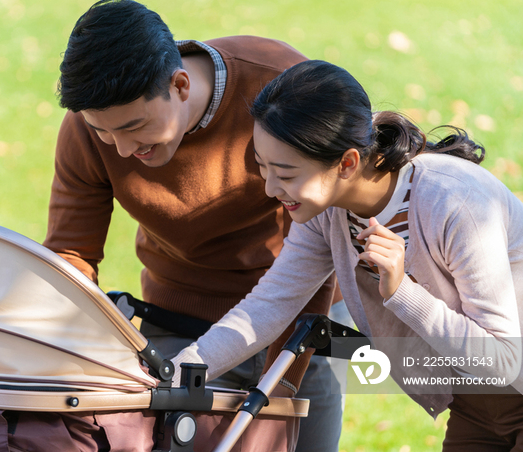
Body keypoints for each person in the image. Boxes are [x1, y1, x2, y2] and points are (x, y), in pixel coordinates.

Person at [172, 60, 523, 451]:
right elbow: (268, 306)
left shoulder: (457, 203)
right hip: (475, 401)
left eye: (286, 174)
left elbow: (505, 358)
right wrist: (172, 374)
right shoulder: (326, 212)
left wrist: (403, 292)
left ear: (348, 163)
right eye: (262, 167)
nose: (271, 188)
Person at [43, 0, 337, 451]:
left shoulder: (280, 89)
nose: (120, 149)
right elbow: (72, 253)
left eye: (134, 126)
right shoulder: (88, 127)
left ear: (180, 85)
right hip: (173, 315)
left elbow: (323, 246)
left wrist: (281, 386)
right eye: (105, 132)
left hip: (296, 317)